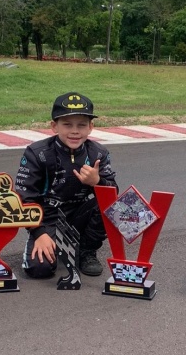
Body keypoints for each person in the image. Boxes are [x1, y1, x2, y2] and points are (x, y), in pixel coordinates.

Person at [15, 92, 118, 278]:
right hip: (48, 219)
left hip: (81, 216)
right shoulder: (37, 153)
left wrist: (98, 182)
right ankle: (46, 239)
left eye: (81, 125)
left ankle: (86, 250)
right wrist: (39, 232)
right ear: (54, 126)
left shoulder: (99, 153)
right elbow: (24, 198)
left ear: (91, 127)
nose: (75, 131)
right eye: (67, 124)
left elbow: (114, 194)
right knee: (39, 270)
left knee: (109, 203)